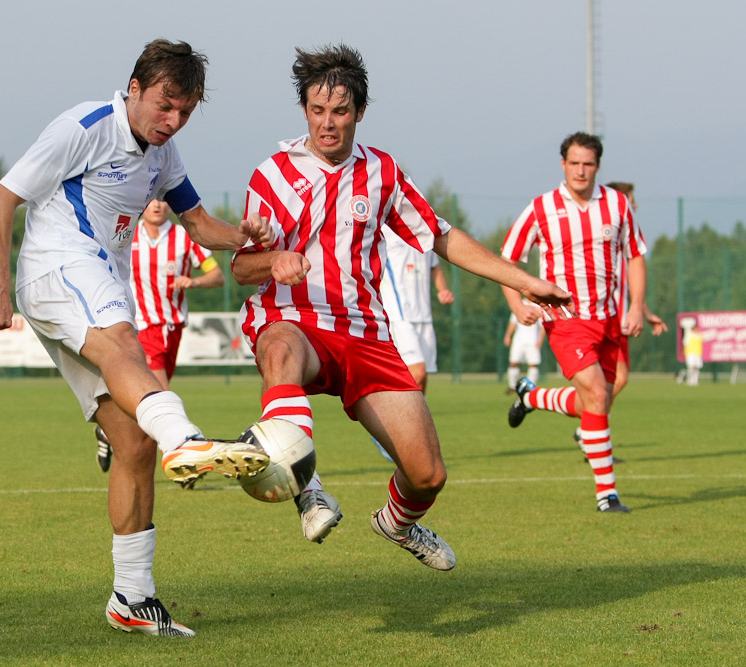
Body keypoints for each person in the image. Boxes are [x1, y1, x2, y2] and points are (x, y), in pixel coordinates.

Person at [0, 39, 275, 638]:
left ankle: (132, 599)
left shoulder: (164, 154)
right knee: (123, 348)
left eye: (185, 112)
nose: (173, 121)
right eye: (166, 104)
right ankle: (186, 439)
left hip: (95, 276)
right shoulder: (85, 126)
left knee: (132, 441)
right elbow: (1, 199)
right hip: (58, 264)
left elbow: (198, 224)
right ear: (135, 87)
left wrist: (242, 235)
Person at [231, 44, 573, 567]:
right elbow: (241, 268)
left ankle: (397, 524)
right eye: (318, 111)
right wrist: (275, 259)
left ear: (360, 113)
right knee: (279, 347)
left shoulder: (384, 173)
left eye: (340, 112)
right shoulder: (271, 174)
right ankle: (309, 488)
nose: (328, 124)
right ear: (304, 109)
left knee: (427, 473)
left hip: (365, 332)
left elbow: (442, 237)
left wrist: (524, 279)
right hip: (293, 320)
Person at [501, 132, 649, 514]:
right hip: (565, 319)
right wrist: (517, 303)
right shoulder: (542, 208)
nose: (581, 170)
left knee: (595, 402)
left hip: (611, 320)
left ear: (597, 166)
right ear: (563, 164)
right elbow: (507, 259)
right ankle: (607, 495)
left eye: (588, 164)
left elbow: (634, 255)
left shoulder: (617, 205)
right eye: (574, 163)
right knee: (598, 396)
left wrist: (637, 307)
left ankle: (530, 396)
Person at [94, 199, 226, 473]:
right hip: (141, 327)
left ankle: (108, 434)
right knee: (161, 395)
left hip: (172, 329)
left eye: (164, 200)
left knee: (147, 399)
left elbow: (217, 276)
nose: (157, 205)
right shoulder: (125, 235)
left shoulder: (184, 238)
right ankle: (186, 453)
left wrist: (194, 281)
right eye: (152, 199)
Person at [570, 182, 668, 452]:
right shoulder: (608, 240)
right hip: (605, 320)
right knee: (610, 384)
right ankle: (588, 429)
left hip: (622, 320)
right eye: (631, 200)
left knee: (610, 384)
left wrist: (643, 311)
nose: (634, 205)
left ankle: (585, 426)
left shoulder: (627, 240)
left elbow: (629, 286)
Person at [370, 226, 455, 460]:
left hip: (423, 318)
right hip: (399, 315)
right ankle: (394, 432)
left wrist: (443, 289)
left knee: (418, 379)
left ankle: (400, 430)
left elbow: (435, 267)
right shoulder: (384, 230)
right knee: (418, 373)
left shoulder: (424, 232)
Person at [503, 299, 545, 393]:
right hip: (518, 340)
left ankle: (530, 387)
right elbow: (513, 322)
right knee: (513, 362)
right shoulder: (520, 304)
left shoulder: (538, 306)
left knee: (533, 364)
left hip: (533, 340)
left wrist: (540, 339)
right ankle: (512, 386)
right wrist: (508, 336)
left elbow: (543, 325)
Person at [681, 319, 703, 386]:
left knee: (697, 367)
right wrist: (684, 351)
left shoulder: (699, 335)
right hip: (690, 353)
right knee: (691, 367)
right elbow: (685, 344)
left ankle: (695, 381)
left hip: (698, 353)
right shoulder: (689, 335)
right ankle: (690, 381)